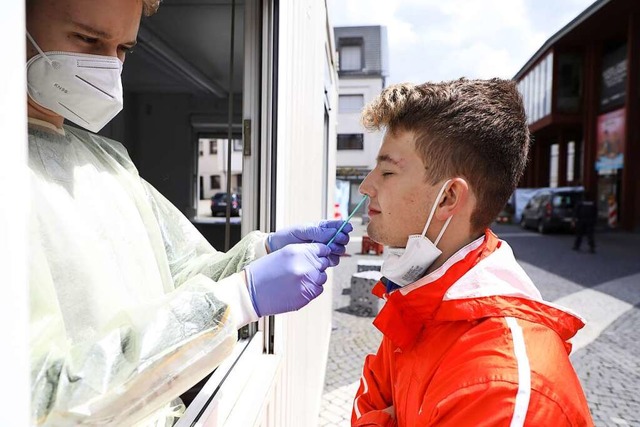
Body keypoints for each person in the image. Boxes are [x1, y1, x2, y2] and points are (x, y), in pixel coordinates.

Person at [25, 0, 353, 425]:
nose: (109, 67)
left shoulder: (108, 162)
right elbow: (38, 397)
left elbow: (181, 270)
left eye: (124, 49)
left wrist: (260, 254)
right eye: (88, 39)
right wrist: (237, 298)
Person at [351, 79, 594, 426]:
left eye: (387, 171)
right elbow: (370, 397)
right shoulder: (420, 297)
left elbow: (370, 411)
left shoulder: (502, 389)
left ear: (449, 198)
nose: (366, 186)